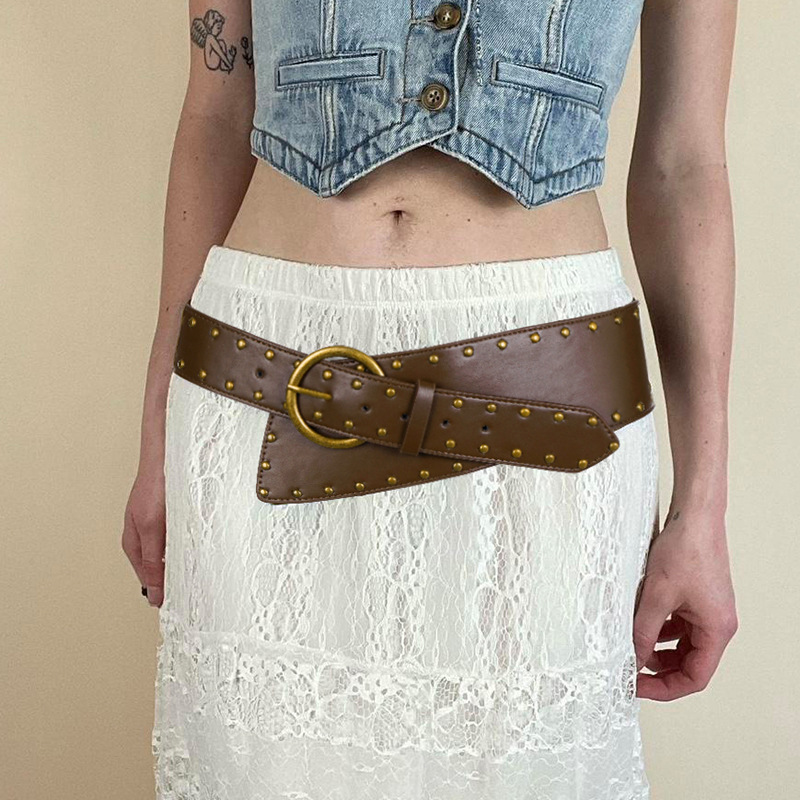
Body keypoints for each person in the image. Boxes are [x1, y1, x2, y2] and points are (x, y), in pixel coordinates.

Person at [122, 1, 739, 797]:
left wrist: (703, 507)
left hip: (545, 404)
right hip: (266, 375)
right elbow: (216, 113)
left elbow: (684, 165)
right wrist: (157, 431)